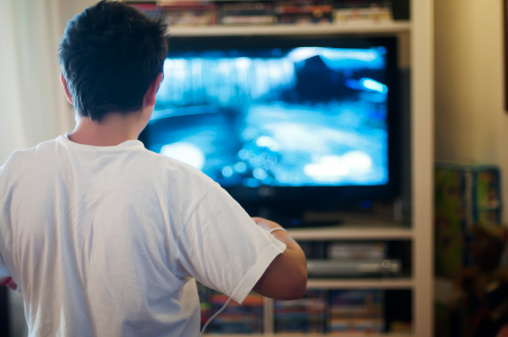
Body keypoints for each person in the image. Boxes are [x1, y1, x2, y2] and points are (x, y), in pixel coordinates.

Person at [0, 1, 307, 336]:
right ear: (154, 88)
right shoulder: (179, 185)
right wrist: (268, 228)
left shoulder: (14, 173)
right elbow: (291, 281)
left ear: (66, 86)